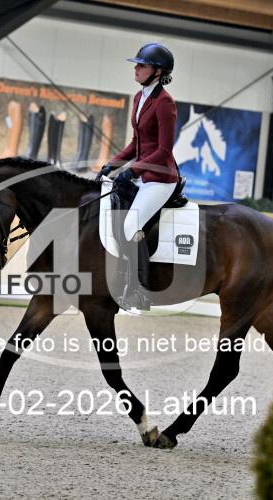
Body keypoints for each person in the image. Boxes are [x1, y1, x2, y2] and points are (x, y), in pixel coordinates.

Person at [97, 42, 179, 310]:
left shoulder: (165, 103)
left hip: (160, 178)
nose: (136, 68)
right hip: (142, 175)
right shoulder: (138, 97)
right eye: (136, 65)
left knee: (131, 225)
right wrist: (112, 165)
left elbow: (164, 150)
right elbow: (136, 143)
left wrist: (133, 170)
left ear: (157, 72)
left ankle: (141, 291)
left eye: (141, 65)